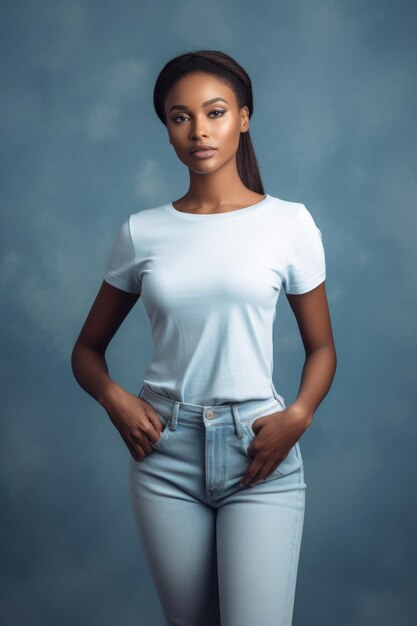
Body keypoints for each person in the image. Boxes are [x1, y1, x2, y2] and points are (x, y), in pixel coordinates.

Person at [71, 50, 337, 626]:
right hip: (165, 452)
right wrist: (116, 400)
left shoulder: (289, 224)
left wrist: (300, 414)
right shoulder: (142, 231)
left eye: (214, 112)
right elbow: (86, 351)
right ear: (166, 129)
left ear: (243, 117)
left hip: (258, 451)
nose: (198, 131)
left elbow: (322, 348)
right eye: (179, 116)